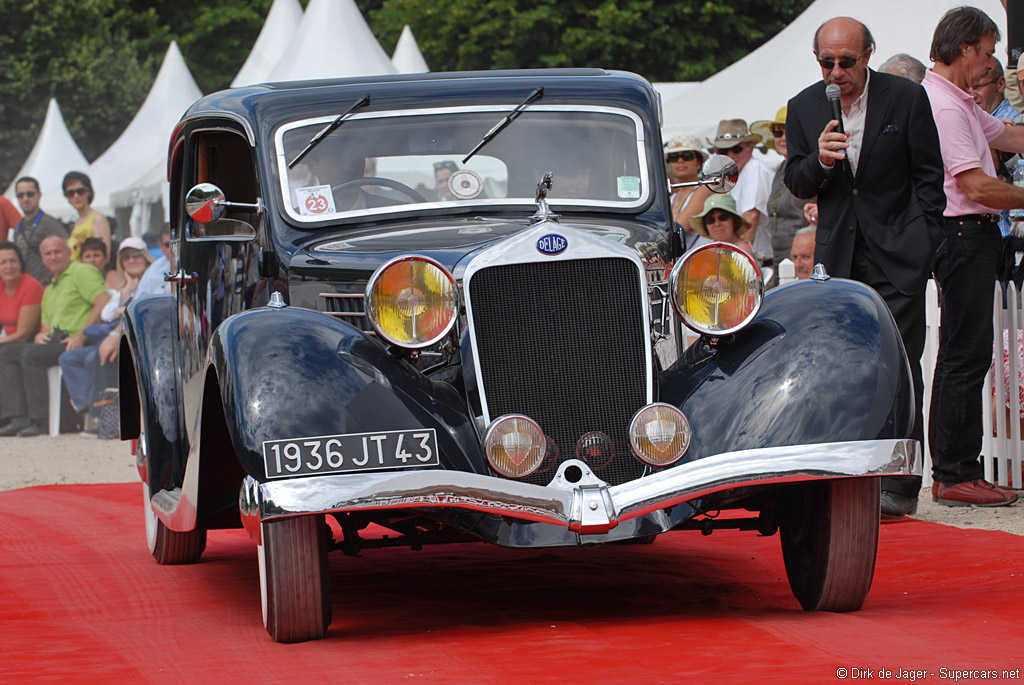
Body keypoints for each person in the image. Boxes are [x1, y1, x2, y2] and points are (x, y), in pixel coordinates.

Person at [784, 16, 947, 518]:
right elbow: (797, 180)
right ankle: (849, 479)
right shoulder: (804, 106)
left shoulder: (905, 97)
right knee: (844, 369)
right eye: (827, 62)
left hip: (899, 254)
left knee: (901, 366)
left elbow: (929, 178)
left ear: (868, 54)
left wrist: (923, 243)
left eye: (846, 62)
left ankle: (902, 482)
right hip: (840, 257)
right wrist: (822, 161)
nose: (837, 72)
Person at [921, 6, 1024, 507]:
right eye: (985, 52)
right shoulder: (944, 105)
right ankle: (955, 471)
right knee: (964, 355)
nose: (988, 63)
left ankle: (956, 469)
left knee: (964, 352)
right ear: (964, 48)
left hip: (967, 234)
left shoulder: (953, 99)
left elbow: (1008, 136)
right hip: (963, 232)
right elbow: (978, 186)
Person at [0, 235, 109, 437]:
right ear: (42, 258)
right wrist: (41, 335)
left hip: (81, 340)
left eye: (57, 251)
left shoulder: (81, 272)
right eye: (47, 253)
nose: (53, 257)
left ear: (68, 252)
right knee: (6, 353)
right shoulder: (50, 288)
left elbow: (103, 302)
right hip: (56, 341)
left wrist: (82, 335)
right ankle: (17, 417)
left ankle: (40, 421)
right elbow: (46, 327)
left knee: (31, 355)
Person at [59, 238, 153, 432]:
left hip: (137, 340)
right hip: (115, 337)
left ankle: (99, 416)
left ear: (145, 257)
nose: (131, 261)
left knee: (96, 357)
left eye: (136, 256)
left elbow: (133, 313)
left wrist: (120, 314)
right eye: (126, 258)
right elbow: (106, 314)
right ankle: (89, 408)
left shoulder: (153, 280)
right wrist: (127, 288)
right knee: (69, 358)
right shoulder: (128, 285)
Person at [751, 107, 814, 287]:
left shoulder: (810, 167)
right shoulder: (780, 168)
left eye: (790, 131)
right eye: (778, 132)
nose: (783, 137)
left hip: (804, 262)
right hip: (781, 260)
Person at [707, 120, 774, 265]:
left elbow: (751, 216)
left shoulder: (754, 168)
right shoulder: (735, 176)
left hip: (761, 262)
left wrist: (736, 261)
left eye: (736, 149)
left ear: (750, 149)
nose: (730, 155)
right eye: (723, 151)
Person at [11, 177, 68, 285]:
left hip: (47, 286)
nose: (25, 199)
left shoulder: (49, 223)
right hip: (26, 287)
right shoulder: (19, 226)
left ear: (39, 195)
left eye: (30, 194)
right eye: (20, 195)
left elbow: (67, 254)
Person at [664, 134, 712, 254]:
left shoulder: (705, 189)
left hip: (702, 258)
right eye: (674, 157)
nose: (680, 161)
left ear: (699, 161)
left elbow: (678, 228)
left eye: (687, 156)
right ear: (669, 163)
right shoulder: (672, 196)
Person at [0, 241, 43, 344]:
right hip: (6, 339)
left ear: (20, 263)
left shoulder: (31, 287)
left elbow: (23, 335)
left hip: (30, 342)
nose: (9, 266)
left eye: (13, 261)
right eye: (2, 262)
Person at [63, 171, 111, 262]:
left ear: (88, 192)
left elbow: (104, 257)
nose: (76, 196)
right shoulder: (76, 223)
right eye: (71, 193)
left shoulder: (97, 219)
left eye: (80, 191)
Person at [689, 194, 755, 257]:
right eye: (710, 220)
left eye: (723, 217)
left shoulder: (742, 249)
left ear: (734, 221)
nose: (717, 224)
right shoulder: (713, 252)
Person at [136, 225, 172, 297]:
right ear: (161, 247)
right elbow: (140, 298)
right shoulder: (154, 269)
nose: (172, 248)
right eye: (167, 245)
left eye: (177, 244)